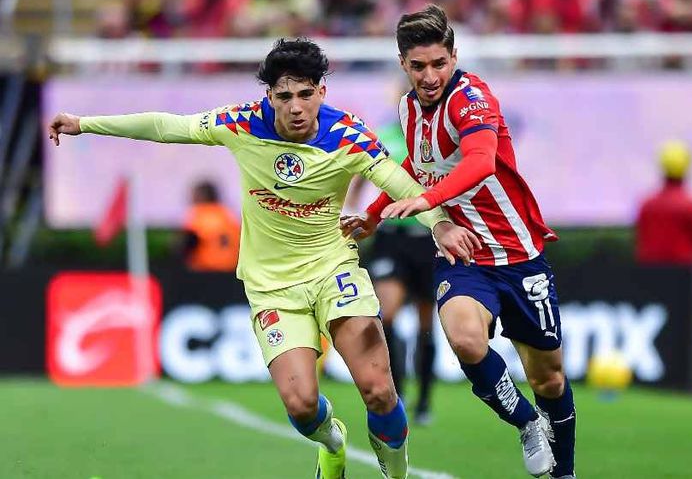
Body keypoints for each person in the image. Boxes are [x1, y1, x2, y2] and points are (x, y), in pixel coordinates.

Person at [48, 37, 480, 479]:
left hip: (334, 270)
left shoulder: (348, 137)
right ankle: (333, 444)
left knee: (379, 391)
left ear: (322, 92)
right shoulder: (242, 124)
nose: (296, 107)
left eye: (306, 94)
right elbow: (167, 126)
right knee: (301, 406)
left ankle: (398, 475)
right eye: (284, 96)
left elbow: (402, 184)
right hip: (272, 286)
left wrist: (439, 224)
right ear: (269, 96)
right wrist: (85, 123)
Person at [340, 6, 575, 479]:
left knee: (548, 378)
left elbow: (481, 162)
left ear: (454, 57)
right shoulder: (408, 110)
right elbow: (415, 168)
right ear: (403, 64)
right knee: (467, 341)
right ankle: (526, 423)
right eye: (418, 66)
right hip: (461, 251)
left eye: (439, 64)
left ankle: (564, 472)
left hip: (518, 253)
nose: (430, 76)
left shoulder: (472, 99)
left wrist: (426, 199)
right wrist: (373, 214)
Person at [346, 113, 438, 426]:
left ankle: (424, 399)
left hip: (427, 237)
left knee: (426, 321)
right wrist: (354, 207)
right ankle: (396, 390)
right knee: (387, 315)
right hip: (391, 237)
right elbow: (361, 172)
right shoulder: (384, 135)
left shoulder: (435, 137)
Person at [635, 139, 692, 265]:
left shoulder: (647, 205)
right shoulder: (690, 205)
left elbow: (640, 243)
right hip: (685, 273)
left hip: (650, 274)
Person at [180, 180, 241, 272]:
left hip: (206, 268)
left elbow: (187, 242)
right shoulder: (228, 214)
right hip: (231, 268)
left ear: (201, 196)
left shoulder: (198, 214)